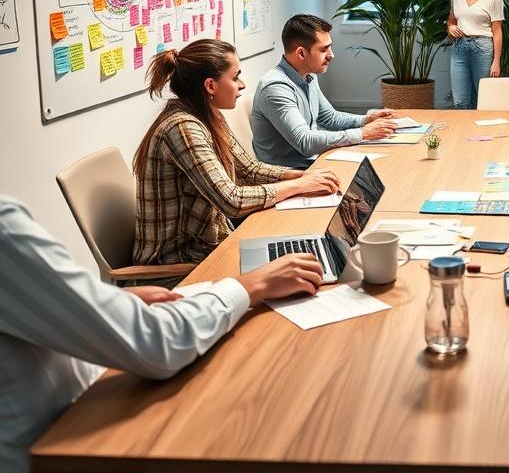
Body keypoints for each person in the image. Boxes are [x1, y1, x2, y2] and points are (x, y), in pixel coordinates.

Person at [0, 195, 325, 473]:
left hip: (91, 405)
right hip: (66, 448)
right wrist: (253, 284)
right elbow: (158, 344)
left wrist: (114, 304)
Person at [133, 39, 340, 278]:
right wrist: (298, 185)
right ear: (210, 86)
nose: (242, 85)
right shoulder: (182, 128)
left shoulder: (209, 116)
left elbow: (248, 169)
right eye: (235, 77)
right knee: (302, 273)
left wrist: (302, 176)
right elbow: (231, 201)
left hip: (211, 246)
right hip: (179, 268)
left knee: (304, 257)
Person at [250, 14, 398, 168]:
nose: (331, 55)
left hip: (312, 163)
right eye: (324, 49)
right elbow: (305, 142)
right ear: (301, 53)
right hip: (288, 174)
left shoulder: (308, 76)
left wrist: (366, 119)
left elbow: (330, 118)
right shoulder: (276, 88)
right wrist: (362, 133)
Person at [448, 0, 504, 109]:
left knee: (484, 100)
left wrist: (496, 62)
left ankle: (485, 132)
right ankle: (463, 133)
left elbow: (497, 31)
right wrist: (451, 27)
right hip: (459, 49)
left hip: (482, 49)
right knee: (460, 102)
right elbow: (452, 19)